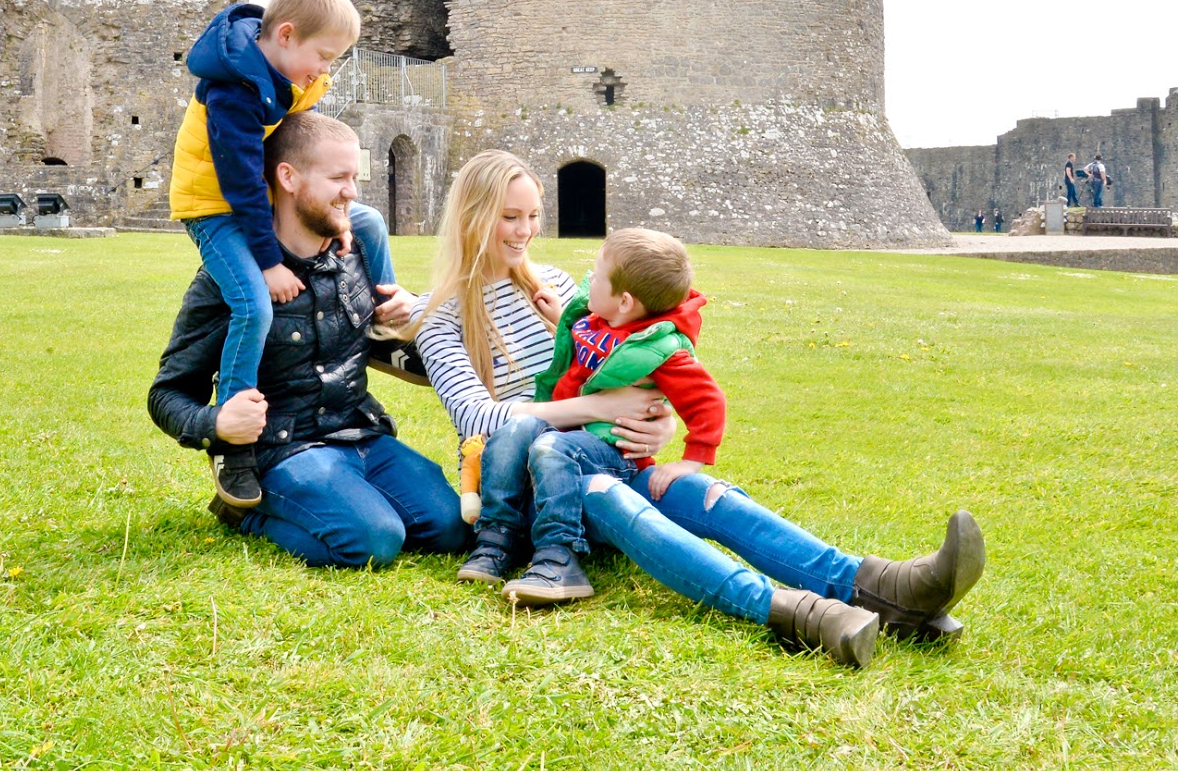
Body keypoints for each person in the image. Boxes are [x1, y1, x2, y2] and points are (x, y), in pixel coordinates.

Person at [413, 151, 985, 668]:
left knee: (709, 497)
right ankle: (795, 613)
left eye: (533, 215)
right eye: (509, 217)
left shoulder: (562, 287)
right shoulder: (443, 319)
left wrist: (657, 420)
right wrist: (602, 405)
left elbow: (635, 361)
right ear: (472, 217)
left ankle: (885, 588)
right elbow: (479, 420)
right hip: (534, 485)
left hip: (605, 453)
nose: (525, 231)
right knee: (606, 497)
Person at [148, 112, 467, 568]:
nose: (352, 192)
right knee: (374, 540)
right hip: (284, 450)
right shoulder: (232, 281)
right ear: (288, 177)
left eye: (354, 177)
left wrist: (407, 324)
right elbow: (167, 393)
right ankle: (245, 514)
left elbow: (380, 344)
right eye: (339, 177)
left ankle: (352, 495)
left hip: (360, 433)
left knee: (451, 527)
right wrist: (217, 423)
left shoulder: (356, 254)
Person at [169, 0, 394, 511]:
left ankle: (386, 303)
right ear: (287, 35)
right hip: (216, 205)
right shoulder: (233, 90)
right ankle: (235, 441)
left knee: (367, 222)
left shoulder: (287, 72)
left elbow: (300, 138)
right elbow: (242, 182)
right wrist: (269, 262)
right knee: (253, 306)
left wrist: (337, 213)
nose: (327, 69)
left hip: (257, 193)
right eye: (325, 55)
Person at [463, 227, 727, 606]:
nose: (589, 278)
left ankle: (560, 555)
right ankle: (497, 538)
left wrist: (692, 459)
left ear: (625, 302)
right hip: (571, 436)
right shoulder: (598, 321)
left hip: (612, 454)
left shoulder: (663, 350)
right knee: (517, 427)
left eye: (598, 274)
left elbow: (708, 400)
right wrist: (561, 320)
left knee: (552, 446)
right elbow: (591, 355)